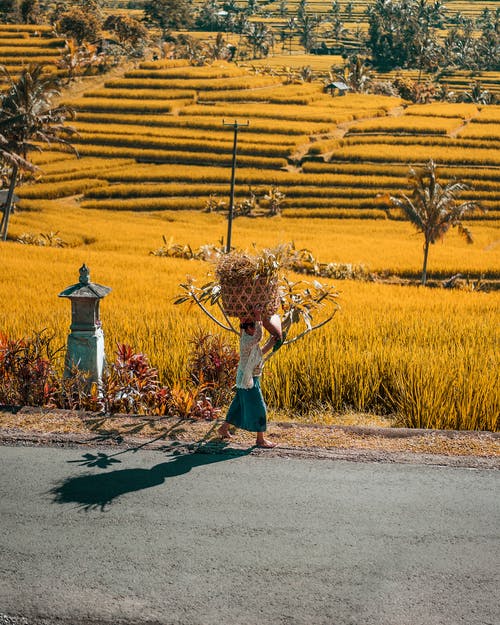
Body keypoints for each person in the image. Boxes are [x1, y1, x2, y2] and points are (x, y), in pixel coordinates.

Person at [218, 306, 278, 448]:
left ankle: (223, 428)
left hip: (246, 378)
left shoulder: (248, 338)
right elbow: (259, 336)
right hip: (248, 380)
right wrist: (258, 316)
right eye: (253, 326)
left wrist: (271, 342)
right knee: (259, 407)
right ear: (248, 328)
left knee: (238, 405)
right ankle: (260, 439)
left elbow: (259, 352)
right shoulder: (248, 340)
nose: (255, 329)